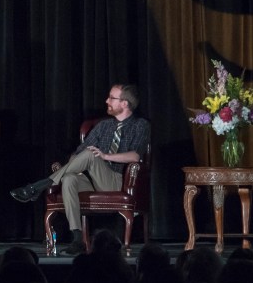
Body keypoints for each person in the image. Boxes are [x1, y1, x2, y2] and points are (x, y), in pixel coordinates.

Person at [10, 84, 150, 255]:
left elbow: (135, 156)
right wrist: (74, 166)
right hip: (93, 180)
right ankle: (78, 239)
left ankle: (39, 186)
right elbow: (79, 152)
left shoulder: (140, 125)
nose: (107, 101)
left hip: (116, 180)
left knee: (91, 155)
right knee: (69, 178)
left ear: (125, 104)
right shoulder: (103, 126)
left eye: (112, 98)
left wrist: (104, 156)